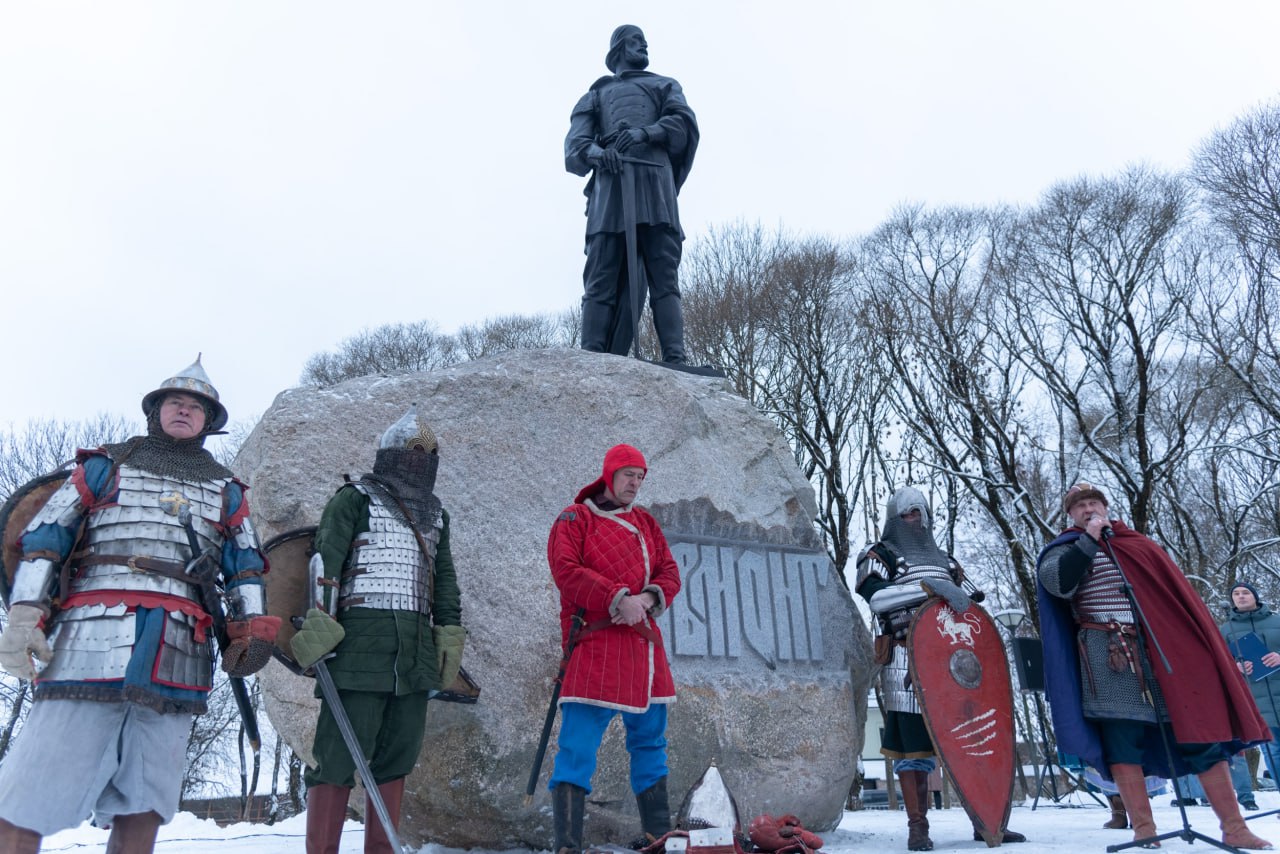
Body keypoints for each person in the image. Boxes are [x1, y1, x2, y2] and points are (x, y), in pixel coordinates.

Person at [0, 356, 279, 854]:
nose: (184, 410)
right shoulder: (104, 466)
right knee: (30, 789)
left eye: (196, 407)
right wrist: (25, 615)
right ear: (156, 410)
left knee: (146, 800)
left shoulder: (227, 490)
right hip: (88, 637)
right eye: (176, 401)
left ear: (208, 424)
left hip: (179, 650)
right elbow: (45, 538)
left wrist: (249, 630)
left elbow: (246, 566)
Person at [1037, 482, 1272, 850]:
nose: (1088, 509)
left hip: (1159, 652)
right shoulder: (1064, 549)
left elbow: (1175, 600)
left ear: (1105, 506)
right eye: (1080, 506)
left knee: (1200, 735)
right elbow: (1059, 585)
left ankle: (1234, 827)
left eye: (1093, 502)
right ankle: (1144, 828)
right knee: (1122, 741)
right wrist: (1088, 542)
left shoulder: (1138, 545)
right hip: (1106, 657)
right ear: (1071, 515)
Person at [290, 405, 464, 854]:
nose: (418, 463)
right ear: (389, 456)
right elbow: (324, 566)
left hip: (414, 652)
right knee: (335, 757)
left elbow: (443, 582)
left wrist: (448, 635)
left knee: (398, 757)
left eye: (426, 457)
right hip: (356, 650)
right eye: (410, 455)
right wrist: (320, 623)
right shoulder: (354, 498)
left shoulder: (436, 516)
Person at [854, 486, 1025, 851]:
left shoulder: (946, 561)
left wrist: (945, 588)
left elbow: (969, 604)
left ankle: (986, 820)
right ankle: (918, 828)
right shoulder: (880, 553)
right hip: (905, 658)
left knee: (973, 741)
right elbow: (876, 597)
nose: (916, 518)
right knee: (913, 749)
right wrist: (927, 588)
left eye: (921, 512)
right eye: (908, 513)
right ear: (895, 519)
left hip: (958, 665)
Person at [545, 444, 682, 854]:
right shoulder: (575, 519)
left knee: (651, 744)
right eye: (628, 475)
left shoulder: (646, 522)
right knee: (577, 747)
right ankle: (568, 845)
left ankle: (657, 837)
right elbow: (566, 571)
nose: (634, 484)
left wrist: (646, 600)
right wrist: (616, 596)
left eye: (640, 477)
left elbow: (669, 572)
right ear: (609, 475)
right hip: (594, 645)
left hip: (643, 645)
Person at [564, 24, 699, 364]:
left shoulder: (664, 85)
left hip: (655, 187)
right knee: (601, 272)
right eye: (638, 41)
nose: (645, 46)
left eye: (645, 41)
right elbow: (574, 149)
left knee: (664, 275)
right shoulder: (596, 94)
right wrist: (598, 153)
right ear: (620, 48)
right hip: (611, 189)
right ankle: (592, 355)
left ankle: (676, 357)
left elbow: (682, 125)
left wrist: (646, 133)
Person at [1221, 581, 1280, 805]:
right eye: (1236, 593)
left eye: (1246, 593)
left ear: (1255, 596)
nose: (1241, 596)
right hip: (1256, 701)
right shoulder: (1227, 630)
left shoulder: (1277, 621)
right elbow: (1221, 663)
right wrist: (1236, 667)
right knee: (1273, 753)